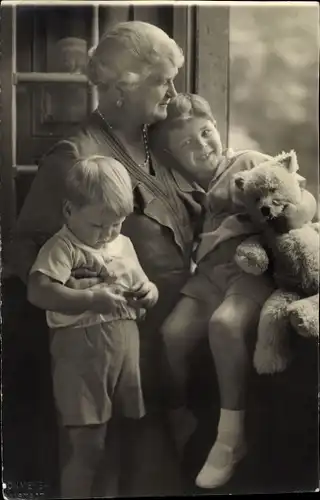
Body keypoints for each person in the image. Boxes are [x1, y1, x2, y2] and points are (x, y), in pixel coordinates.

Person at [9, 21, 203, 495]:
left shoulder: (158, 142)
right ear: (121, 87)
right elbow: (24, 252)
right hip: (109, 357)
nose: (173, 91)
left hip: (171, 354)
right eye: (162, 79)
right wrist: (91, 295)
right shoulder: (75, 158)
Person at [154, 93, 276, 489]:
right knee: (172, 335)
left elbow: (300, 200)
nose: (202, 146)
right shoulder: (189, 193)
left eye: (206, 134)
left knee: (225, 325)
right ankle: (178, 414)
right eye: (188, 144)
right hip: (207, 279)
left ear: (217, 128)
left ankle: (230, 436)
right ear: (174, 155)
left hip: (246, 273)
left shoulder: (248, 163)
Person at [27, 155, 159, 497]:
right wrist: (89, 299)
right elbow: (38, 290)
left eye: (116, 224)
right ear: (70, 211)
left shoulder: (124, 245)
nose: (108, 234)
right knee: (86, 446)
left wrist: (149, 294)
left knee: (116, 441)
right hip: (81, 357)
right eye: (98, 226)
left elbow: (146, 287)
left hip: (123, 354)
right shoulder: (63, 247)